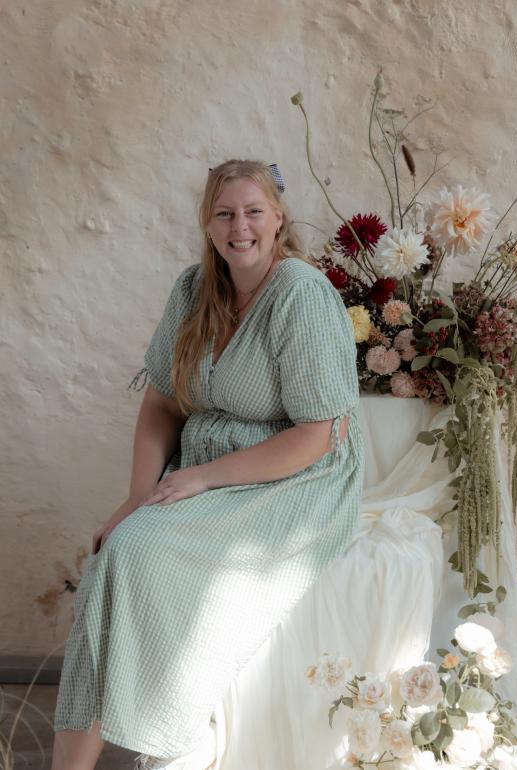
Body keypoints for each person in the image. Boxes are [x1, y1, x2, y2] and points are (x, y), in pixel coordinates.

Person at [51, 158, 365, 770]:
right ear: (207, 223)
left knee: (135, 555)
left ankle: (140, 739)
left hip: (294, 477)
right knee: (112, 557)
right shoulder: (193, 290)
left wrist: (197, 477)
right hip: (203, 466)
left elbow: (317, 435)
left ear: (278, 219)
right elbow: (162, 403)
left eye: (253, 211)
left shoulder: (300, 294)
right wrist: (138, 498)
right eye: (224, 213)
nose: (238, 226)